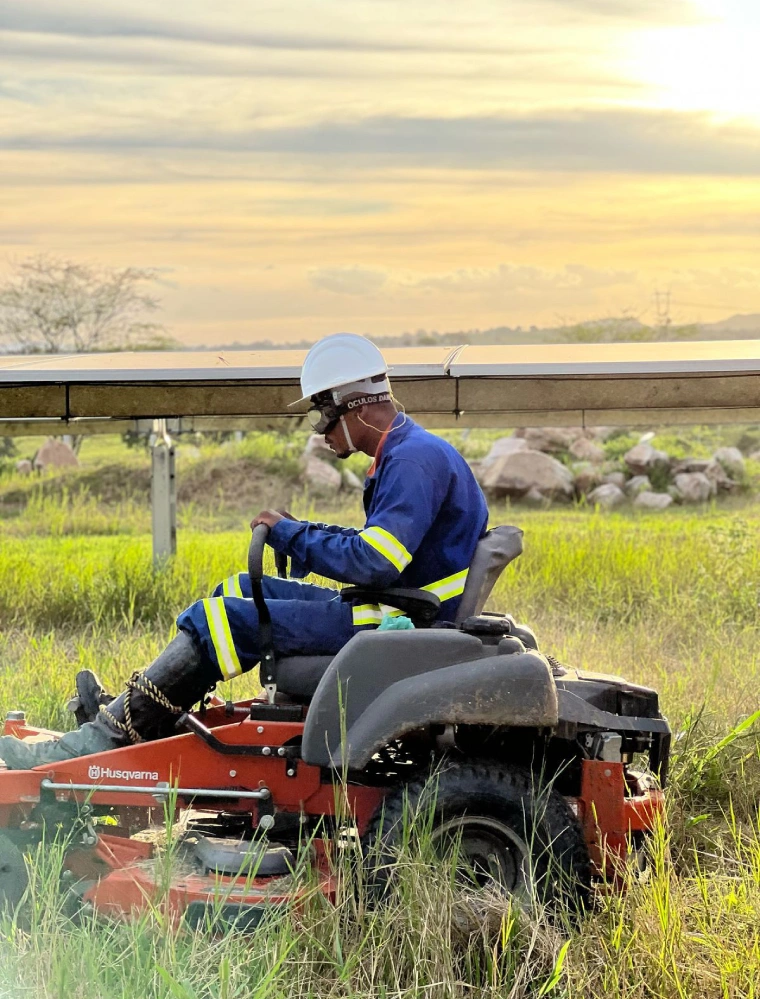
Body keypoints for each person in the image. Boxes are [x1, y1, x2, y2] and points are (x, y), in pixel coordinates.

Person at [0, 333, 488, 769]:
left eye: (325, 414)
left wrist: (294, 537)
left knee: (218, 619)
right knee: (236, 589)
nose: (320, 430)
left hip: (398, 622)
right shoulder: (408, 451)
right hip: (398, 608)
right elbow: (379, 548)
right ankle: (146, 719)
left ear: (356, 406)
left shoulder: (411, 461)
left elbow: (376, 561)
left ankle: (97, 744)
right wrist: (299, 530)